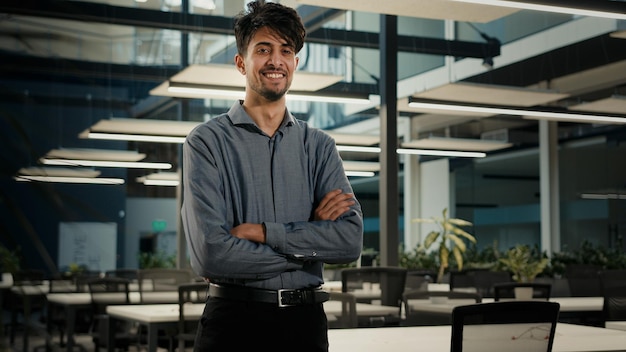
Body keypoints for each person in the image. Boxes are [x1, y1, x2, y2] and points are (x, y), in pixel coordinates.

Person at [181, 1, 364, 351]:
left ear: (295, 62)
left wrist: (265, 233)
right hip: (234, 324)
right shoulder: (206, 142)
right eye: (263, 49)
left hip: (305, 326)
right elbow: (211, 256)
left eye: (286, 50)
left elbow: (349, 242)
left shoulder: (319, 146)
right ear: (241, 62)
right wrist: (310, 246)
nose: (275, 60)